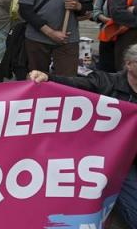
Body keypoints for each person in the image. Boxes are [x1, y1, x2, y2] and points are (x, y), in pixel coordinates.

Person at [28, 43, 137, 228]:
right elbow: (77, 85)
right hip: (102, 159)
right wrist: (48, 78)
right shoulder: (106, 82)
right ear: (129, 64)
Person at [99, 0, 137, 72]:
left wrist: (134, 10)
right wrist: (109, 19)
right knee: (111, 71)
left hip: (129, 35)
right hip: (111, 33)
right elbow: (114, 11)